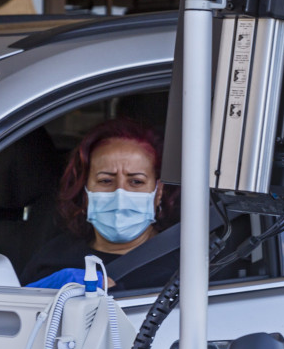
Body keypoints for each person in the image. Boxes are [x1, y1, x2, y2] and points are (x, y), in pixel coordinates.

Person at [21, 118, 179, 291]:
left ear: (159, 192)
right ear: (84, 189)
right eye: (105, 180)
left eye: (136, 181)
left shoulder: (185, 267)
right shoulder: (52, 258)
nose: (120, 194)